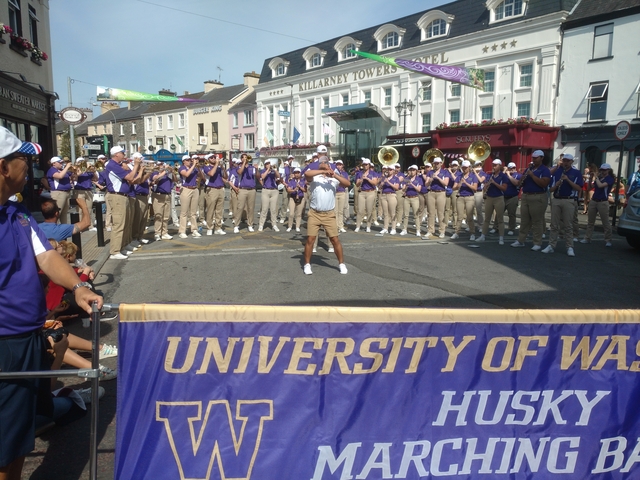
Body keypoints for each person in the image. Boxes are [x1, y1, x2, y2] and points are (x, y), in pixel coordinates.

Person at [0, 126, 103, 480]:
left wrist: (77, 286)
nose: (29, 166)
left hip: (25, 338)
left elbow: (45, 257)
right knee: (6, 442)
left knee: (17, 436)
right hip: (5, 343)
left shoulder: (18, 214)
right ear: (3, 167)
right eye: (23, 159)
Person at [302, 156, 351, 275]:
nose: (324, 164)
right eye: (321, 163)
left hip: (329, 214)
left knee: (334, 239)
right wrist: (323, 171)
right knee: (310, 239)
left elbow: (347, 183)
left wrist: (334, 175)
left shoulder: (334, 179)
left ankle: (341, 264)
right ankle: (307, 264)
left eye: (326, 163)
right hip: (314, 213)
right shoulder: (315, 177)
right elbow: (307, 174)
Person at [542, 153, 583, 256]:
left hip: (569, 200)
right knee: (554, 224)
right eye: (564, 160)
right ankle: (551, 245)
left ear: (571, 162)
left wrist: (567, 180)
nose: (565, 162)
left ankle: (570, 247)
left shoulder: (576, 172)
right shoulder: (557, 172)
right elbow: (550, 189)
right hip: (556, 199)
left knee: (568, 225)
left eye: (568, 161)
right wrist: (556, 185)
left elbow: (579, 188)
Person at [105, 146, 141, 259]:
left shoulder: (118, 165)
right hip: (117, 197)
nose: (124, 155)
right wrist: (135, 165)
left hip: (123, 196)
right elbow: (130, 177)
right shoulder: (112, 165)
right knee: (119, 224)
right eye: (122, 153)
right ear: (116, 154)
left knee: (125, 223)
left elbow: (133, 178)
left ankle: (123, 246)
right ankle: (114, 251)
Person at [511, 150, 551, 250]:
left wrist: (532, 175)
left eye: (536, 158)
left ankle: (537, 243)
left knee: (537, 221)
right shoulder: (529, 169)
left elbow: (544, 184)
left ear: (541, 158)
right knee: (524, 220)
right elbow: (520, 183)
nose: (533, 159)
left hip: (538, 196)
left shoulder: (545, 170)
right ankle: (521, 240)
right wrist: (523, 178)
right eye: (533, 157)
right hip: (526, 196)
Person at [581, 163, 614, 247]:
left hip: (603, 201)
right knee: (590, 222)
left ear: (608, 171)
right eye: (602, 170)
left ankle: (608, 239)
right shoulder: (599, 178)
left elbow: (600, 185)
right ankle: (587, 238)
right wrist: (591, 179)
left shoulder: (610, 179)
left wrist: (596, 178)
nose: (603, 172)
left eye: (605, 170)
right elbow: (590, 188)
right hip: (594, 200)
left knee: (605, 222)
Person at [477, 159, 508, 245]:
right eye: (493, 165)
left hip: (499, 197)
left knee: (500, 218)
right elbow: (484, 187)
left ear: (500, 166)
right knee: (487, 218)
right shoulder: (489, 175)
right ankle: (483, 236)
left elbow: (504, 188)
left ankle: (501, 237)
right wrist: (487, 185)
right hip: (489, 197)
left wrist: (494, 183)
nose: (494, 167)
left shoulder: (503, 176)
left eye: (496, 165)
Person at [423, 157, 453, 239]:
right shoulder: (430, 172)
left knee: (440, 213)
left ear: (441, 163)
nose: (436, 165)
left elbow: (446, 183)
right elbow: (426, 184)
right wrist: (431, 179)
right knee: (431, 213)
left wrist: (438, 177)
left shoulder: (445, 172)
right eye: (435, 163)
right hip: (431, 192)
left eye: (437, 163)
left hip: (441, 192)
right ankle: (430, 230)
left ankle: (441, 231)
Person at [451, 160, 479, 240]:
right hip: (460, 197)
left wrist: (466, 183)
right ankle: (456, 232)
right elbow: (453, 187)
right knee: (459, 216)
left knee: (469, 216)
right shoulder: (459, 176)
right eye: (463, 168)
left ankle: (472, 233)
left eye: (466, 168)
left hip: (470, 197)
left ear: (469, 167)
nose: (465, 169)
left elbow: (475, 188)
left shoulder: (473, 176)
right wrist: (459, 185)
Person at [202, 154, 227, 235]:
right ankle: (209, 227)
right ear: (207, 159)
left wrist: (223, 167)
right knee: (210, 209)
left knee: (219, 210)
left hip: (220, 188)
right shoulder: (206, 167)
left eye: (214, 157)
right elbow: (211, 174)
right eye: (211, 158)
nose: (214, 159)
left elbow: (226, 177)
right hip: (212, 189)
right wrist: (216, 164)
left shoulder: (219, 167)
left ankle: (218, 228)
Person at [178, 154, 202, 238]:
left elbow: (201, 177)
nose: (190, 161)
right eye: (187, 160)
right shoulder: (182, 168)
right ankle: (182, 231)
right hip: (186, 189)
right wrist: (194, 165)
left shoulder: (194, 167)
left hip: (194, 189)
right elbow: (186, 175)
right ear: (184, 161)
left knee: (193, 212)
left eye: (190, 160)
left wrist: (198, 167)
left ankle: (194, 229)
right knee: (184, 212)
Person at [150, 163, 174, 241]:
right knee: (158, 215)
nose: (162, 166)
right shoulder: (155, 172)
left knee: (166, 216)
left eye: (163, 165)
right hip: (158, 195)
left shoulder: (168, 174)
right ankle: (157, 233)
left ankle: (164, 232)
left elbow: (175, 180)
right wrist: (165, 171)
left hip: (167, 195)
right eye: (160, 165)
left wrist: (171, 171)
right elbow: (155, 178)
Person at [354, 158, 379, 232]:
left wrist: (367, 179)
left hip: (370, 192)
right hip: (362, 192)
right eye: (364, 165)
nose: (365, 166)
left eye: (366, 165)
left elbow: (375, 183)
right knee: (360, 210)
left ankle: (368, 226)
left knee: (369, 210)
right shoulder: (359, 173)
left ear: (369, 165)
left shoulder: (373, 173)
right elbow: (357, 184)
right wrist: (361, 179)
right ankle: (358, 226)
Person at [235, 153, 258, 233]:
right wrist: (244, 163)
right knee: (240, 207)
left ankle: (250, 224)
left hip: (252, 189)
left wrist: (257, 169)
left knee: (251, 208)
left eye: (246, 157)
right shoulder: (238, 167)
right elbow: (240, 172)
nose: (245, 158)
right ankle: (236, 225)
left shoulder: (252, 168)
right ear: (241, 159)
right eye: (243, 158)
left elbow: (258, 176)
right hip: (242, 189)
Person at [73, 157, 97, 231]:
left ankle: (90, 225)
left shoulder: (88, 171)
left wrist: (94, 171)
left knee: (89, 209)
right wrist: (83, 168)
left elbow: (96, 179)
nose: (82, 163)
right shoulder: (75, 170)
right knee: (80, 210)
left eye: (83, 161)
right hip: (79, 191)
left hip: (88, 191)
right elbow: (76, 177)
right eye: (80, 162)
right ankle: (80, 227)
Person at [46, 156, 73, 223]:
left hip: (66, 192)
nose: (61, 164)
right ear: (54, 163)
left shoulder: (62, 170)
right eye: (59, 162)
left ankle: (64, 228)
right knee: (57, 212)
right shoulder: (52, 170)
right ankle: (54, 228)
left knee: (64, 213)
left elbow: (74, 175)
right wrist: (67, 167)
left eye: (62, 162)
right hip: (58, 193)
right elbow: (60, 176)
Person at [258, 159, 281, 232]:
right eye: (267, 164)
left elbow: (278, 176)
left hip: (274, 190)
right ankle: (261, 225)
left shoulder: (273, 171)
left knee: (273, 209)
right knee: (264, 209)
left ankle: (274, 224)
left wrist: (275, 170)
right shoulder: (263, 171)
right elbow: (263, 177)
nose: (269, 165)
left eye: (269, 164)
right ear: (265, 165)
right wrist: (268, 169)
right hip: (266, 190)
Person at [400, 165, 423, 236]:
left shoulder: (419, 179)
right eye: (411, 170)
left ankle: (418, 230)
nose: (412, 172)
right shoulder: (406, 178)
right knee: (405, 215)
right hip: (407, 197)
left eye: (413, 170)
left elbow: (419, 189)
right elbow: (403, 189)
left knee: (416, 215)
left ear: (416, 171)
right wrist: (406, 185)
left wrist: (412, 184)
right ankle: (404, 229)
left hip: (415, 197)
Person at [378, 165, 400, 235]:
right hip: (384, 195)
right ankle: (385, 228)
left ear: (393, 171)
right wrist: (382, 183)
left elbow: (396, 188)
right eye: (388, 169)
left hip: (391, 195)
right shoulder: (384, 178)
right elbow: (379, 187)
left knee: (392, 213)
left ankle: (393, 228)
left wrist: (388, 182)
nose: (389, 171)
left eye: (390, 170)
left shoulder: (396, 178)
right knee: (385, 213)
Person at [286, 167, 306, 232]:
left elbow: (305, 190)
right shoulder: (291, 181)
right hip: (293, 197)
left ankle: (297, 226)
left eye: (298, 173)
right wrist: (294, 190)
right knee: (291, 213)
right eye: (295, 173)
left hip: (300, 197)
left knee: (299, 213)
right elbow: (288, 190)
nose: (297, 174)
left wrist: (300, 187)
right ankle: (290, 226)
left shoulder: (303, 181)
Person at [503, 162, 521, 235]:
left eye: (513, 168)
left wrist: (508, 175)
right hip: (504, 196)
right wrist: (504, 171)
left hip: (513, 197)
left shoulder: (518, 175)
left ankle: (511, 229)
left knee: (511, 214)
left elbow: (516, 183)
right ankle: (496, 227)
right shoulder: (504, 175)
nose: (512, 169)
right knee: (499, 213)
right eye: (510, 168)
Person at [334, 160, 350, 233]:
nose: (339, 166)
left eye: (340, 165)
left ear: (342, 166)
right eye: (337, 165)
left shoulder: (345, 173)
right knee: (335, 211)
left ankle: (341, 225)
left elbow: (347, 183)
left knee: (340, 211)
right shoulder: (333, 173)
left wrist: (341, 178)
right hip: (334, 193)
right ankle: (336, 226)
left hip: (342, 192)